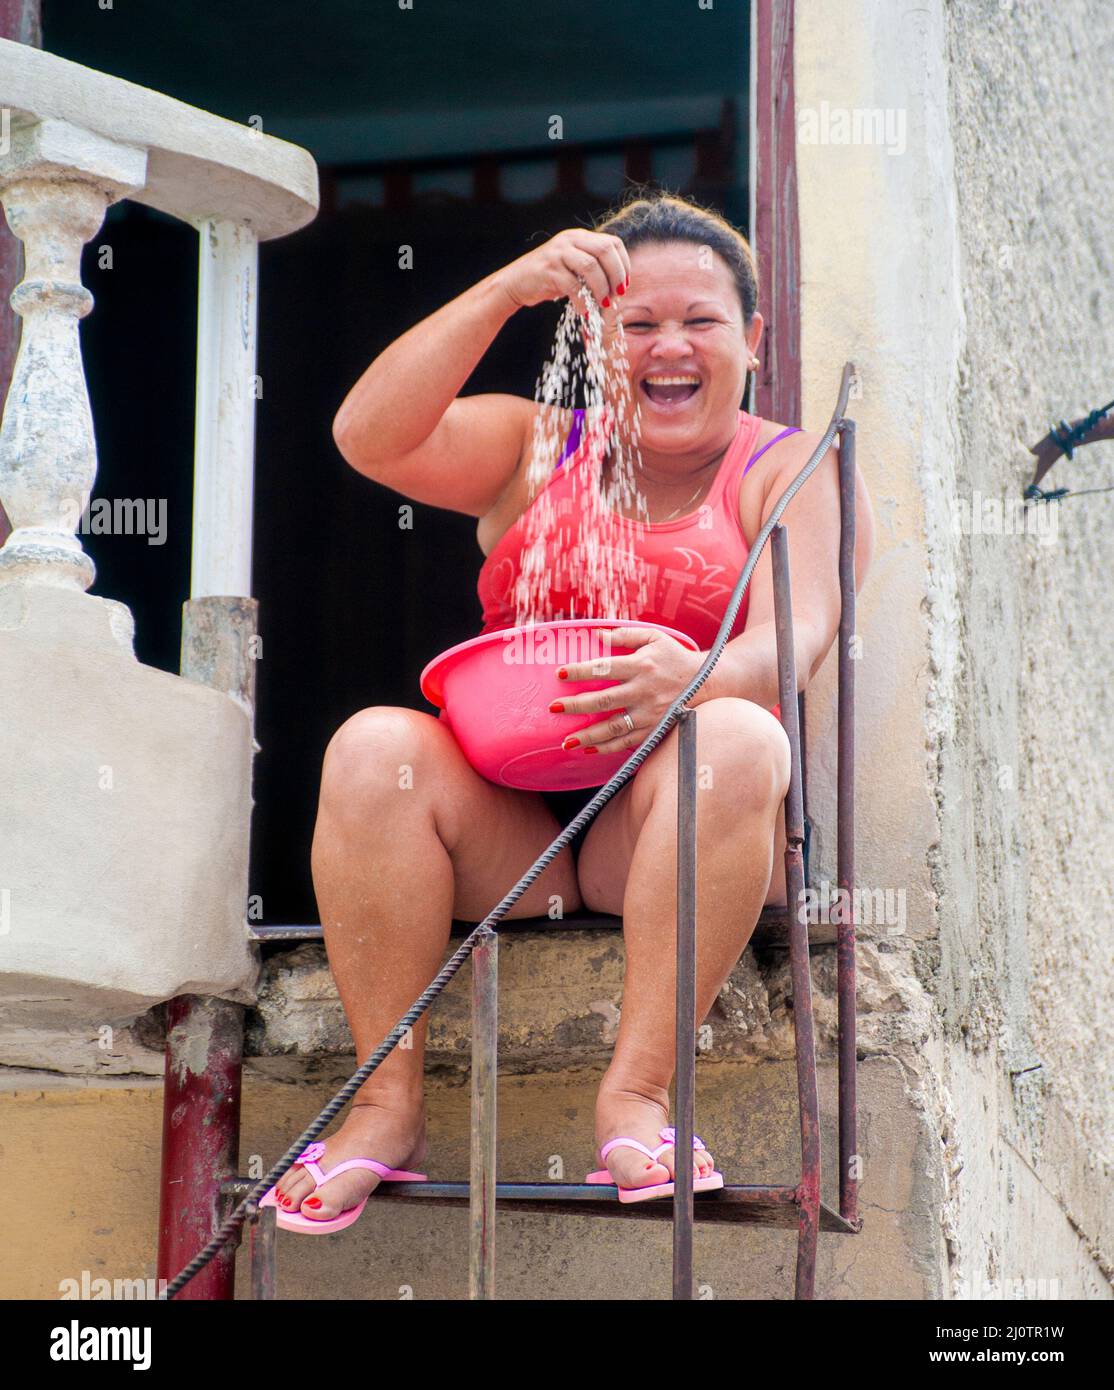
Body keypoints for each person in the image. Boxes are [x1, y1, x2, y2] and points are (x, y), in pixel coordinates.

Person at [269, 191, 875, 1225]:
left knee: (735, 730)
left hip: (666, 823)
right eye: (636, 324)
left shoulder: (790, 467)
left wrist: (687, 677)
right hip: (514, 843)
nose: (668, 346)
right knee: (373, 747)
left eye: (700, 321)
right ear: (594, 338)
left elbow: (799, 636)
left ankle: (637, 1098)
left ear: (753, 338)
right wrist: (511, 288)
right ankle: (382, 1107)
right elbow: (366, 435)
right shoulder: (533, 445)